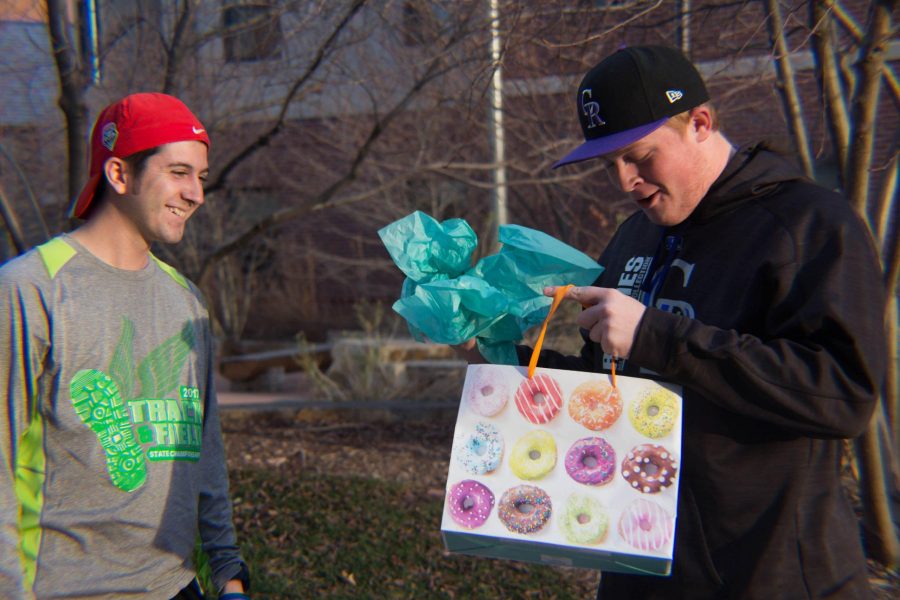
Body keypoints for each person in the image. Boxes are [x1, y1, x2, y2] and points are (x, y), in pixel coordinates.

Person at [456, 45, 886, 598]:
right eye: (609, 163)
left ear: (700, 123)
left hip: (769, 576)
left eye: (638, 155)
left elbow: (843, 393)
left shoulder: (806, 225)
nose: (624, 182)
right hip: (639, 566)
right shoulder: (635, 235)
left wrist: (656, 335)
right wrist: (497, 354)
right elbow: (602, 391)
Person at [0, 93, 250, 599]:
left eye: (200, 177)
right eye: (179, 172)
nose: (196, 193)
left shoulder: (186, 302)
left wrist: (228, 572)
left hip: (178, 586)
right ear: (119, 174)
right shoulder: (30, 290)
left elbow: (205, 447)